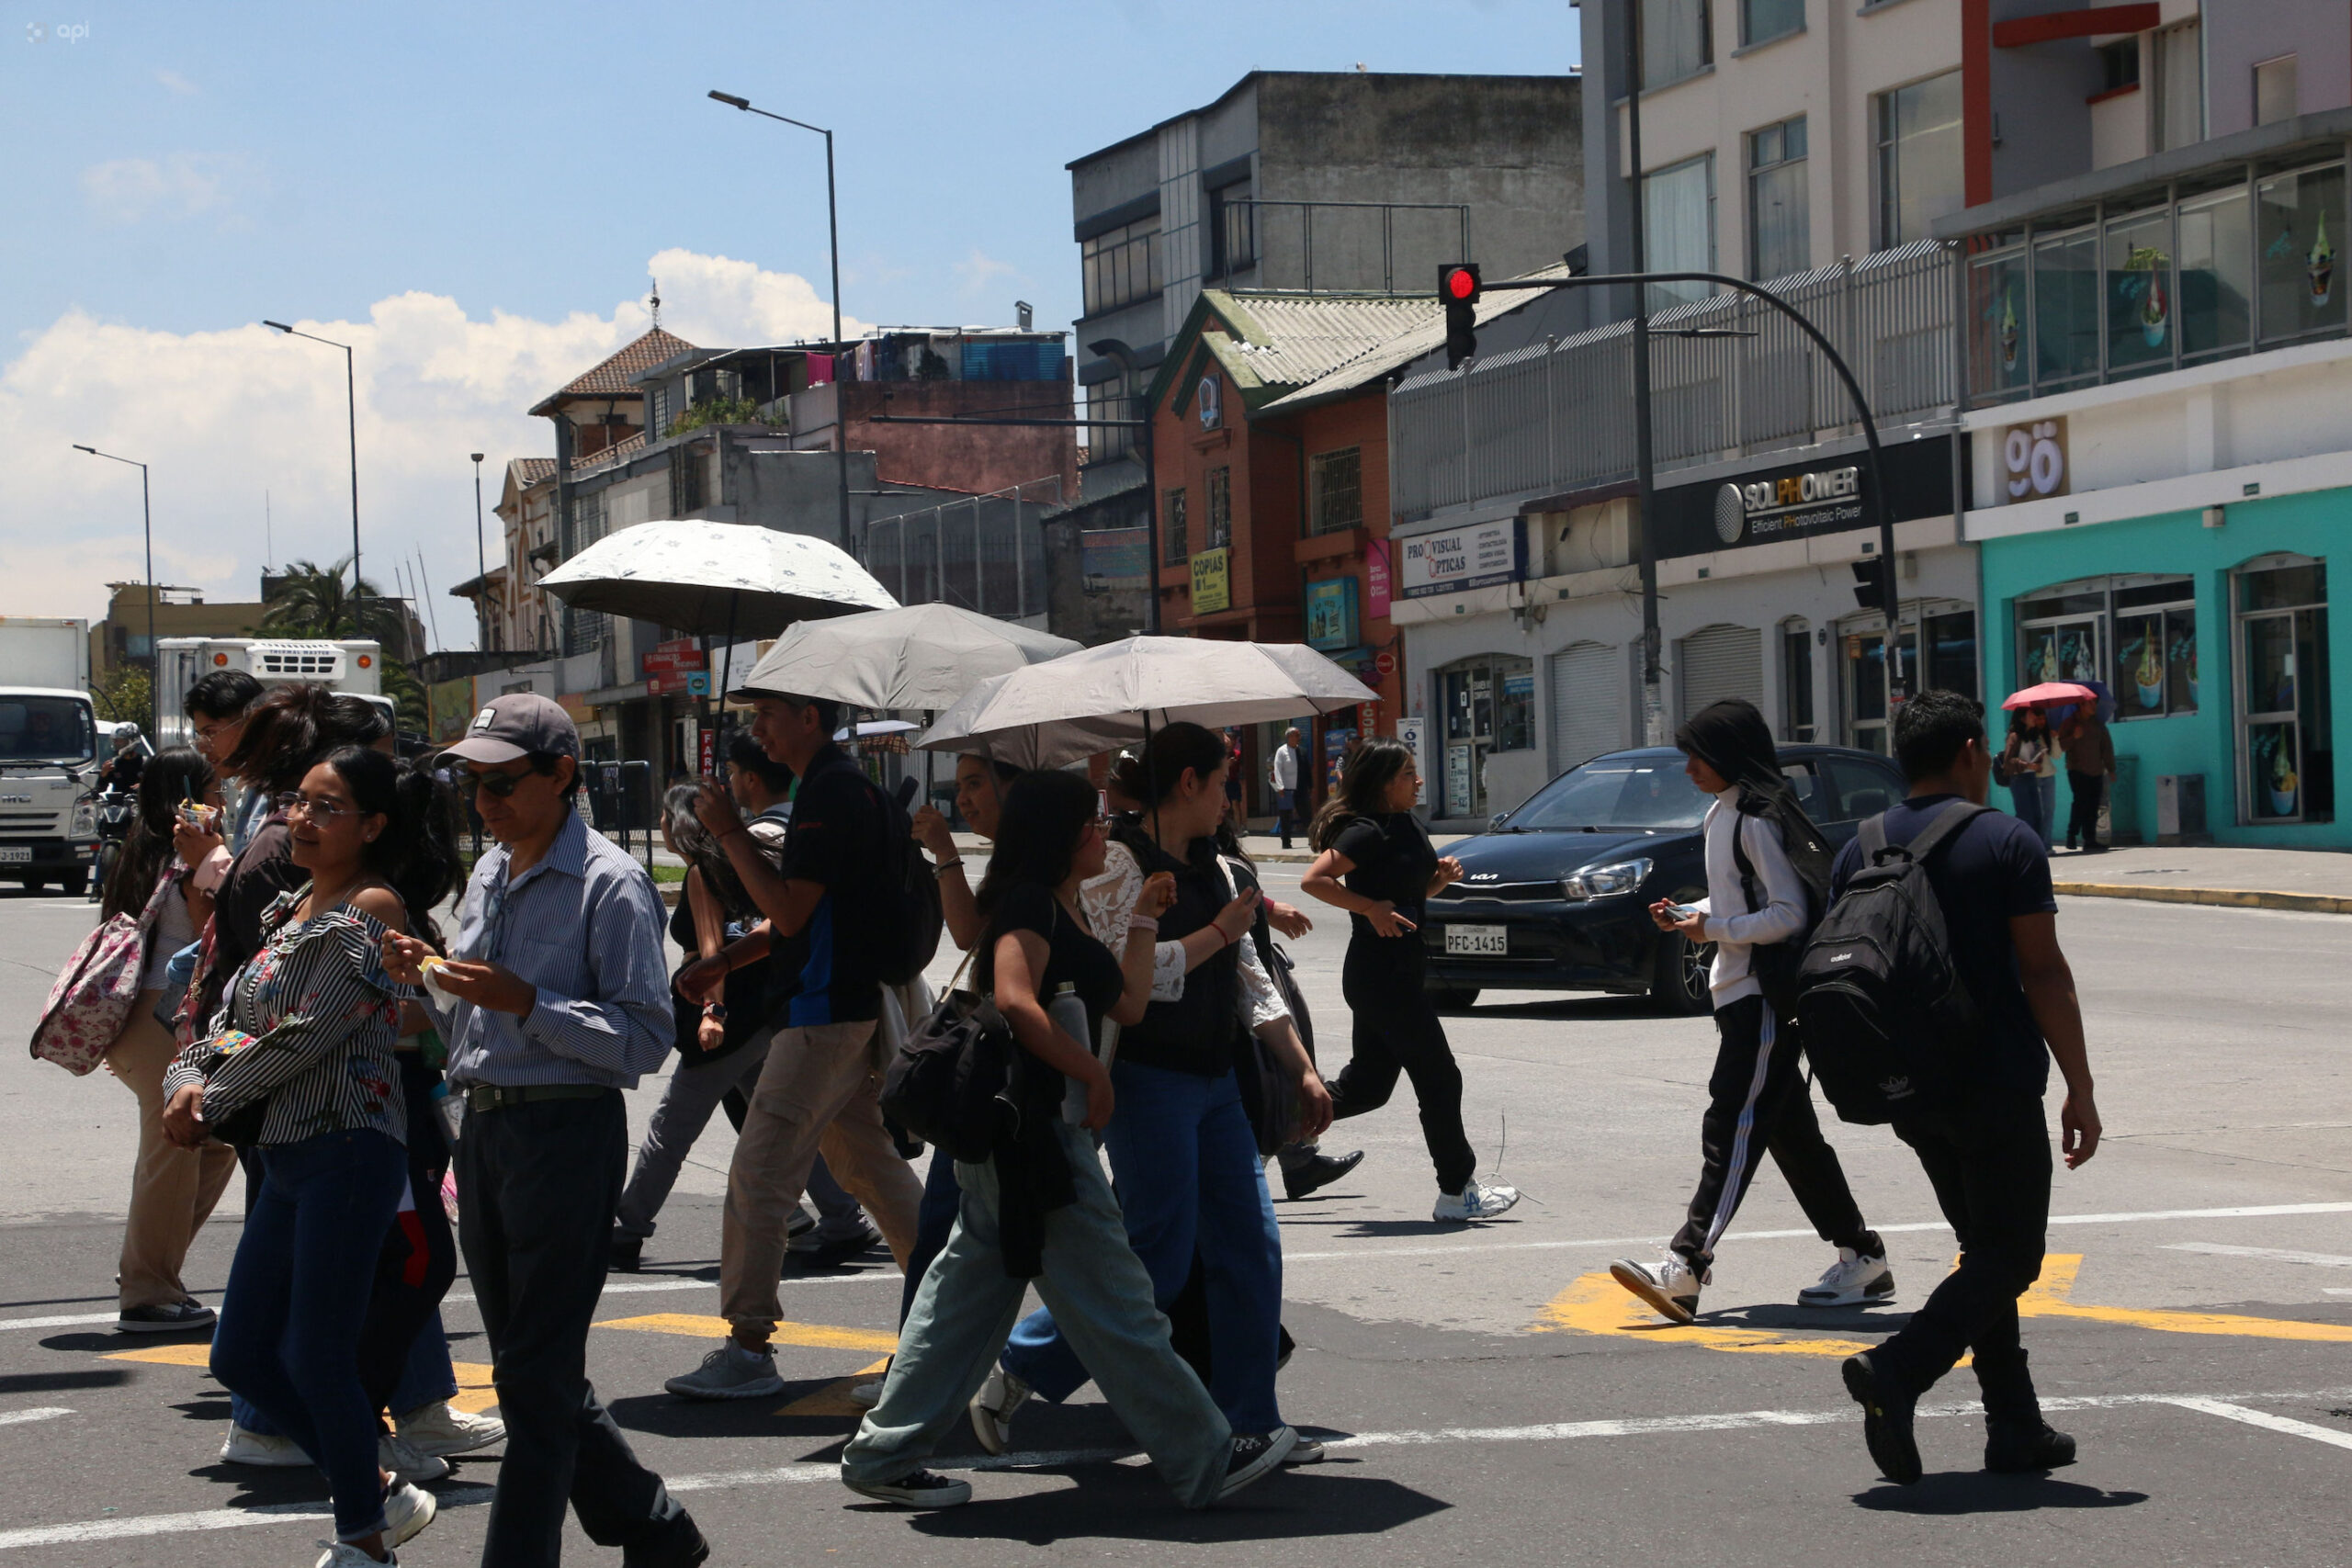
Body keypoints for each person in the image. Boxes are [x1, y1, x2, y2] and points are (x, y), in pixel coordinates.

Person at [842, 770, 1297, 1507]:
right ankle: (1206, 1454)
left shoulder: (1070, 905)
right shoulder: (1028, 906)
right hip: (1037, 1135)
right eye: (1091, 824)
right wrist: (1095, 1073)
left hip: (1022, 1139)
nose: (1104, 831)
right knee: (1121, 1305)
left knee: (960, 1303)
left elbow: (1129, 1000)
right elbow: (1017, 1001)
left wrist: (1148, 918)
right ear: (1059, 836)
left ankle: (882, 1452)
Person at [381, 694, 707, 1568]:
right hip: (484, 1134)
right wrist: (429, 981)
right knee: (536, 1369)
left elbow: (646, 1036)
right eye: (471, 782)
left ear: (562, 776)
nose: (483, 800)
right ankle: (653, 1525)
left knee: (533, 1374)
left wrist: (526, 1000)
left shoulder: (611, 881)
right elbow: (469, 1020)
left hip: (567, 1133)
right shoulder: (488, 872)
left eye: (502, 781)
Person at [972, 723, 1330, 1472]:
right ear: (1189, 782)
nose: (1233, 790)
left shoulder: (1226, 871)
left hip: (1216, 1082)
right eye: (1225, 776)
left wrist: (1299, 1066)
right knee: (1158, 1262)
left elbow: (1250, 982)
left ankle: (1250, 1421)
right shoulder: (1122, 864)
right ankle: (1022, 1364)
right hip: (1147, 1080)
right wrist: (1211, 933)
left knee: (1252, 1247)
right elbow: (1115, 979)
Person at [161, 745, 456, 1566]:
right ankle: (380, 1492)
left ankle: (363, 1535)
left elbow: (308, 1030)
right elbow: (226, 1018)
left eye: (327, 808)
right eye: (299, 801)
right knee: (243, 1352)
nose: (302, 818)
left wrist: (208, 1102)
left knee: (318, 1351)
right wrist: (182, 1081)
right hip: (286, 1155)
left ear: (372, 825)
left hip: (349, 1151)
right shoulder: (291, 906)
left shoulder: (371, 909)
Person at [1834, 690, 2100, 1484]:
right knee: (2011, 1255)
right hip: (1993, 1082)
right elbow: (2043, 970)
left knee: (1982, 1251)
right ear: (1970, 752)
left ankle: (2014, 1425)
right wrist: (2080, 1087)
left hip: (1912, 1091)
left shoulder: (1862, 847)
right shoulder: (2006, 840)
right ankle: (1900, 1367)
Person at [661, 687, 923, 1402]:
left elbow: (788, 908)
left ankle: (748, 1346)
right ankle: (945, 1310)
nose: (758, 730)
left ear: (810, 717)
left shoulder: (828, 795)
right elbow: (800, 919)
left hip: (825, 1011)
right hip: (842, 1006)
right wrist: (726, 961)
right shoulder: (841, 788)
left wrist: (728, 832)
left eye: (768, 714)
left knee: (759, 1171)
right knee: (870, 1165)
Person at [1609, 699, 1892, 1325]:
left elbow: (1790, 913)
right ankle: (1862, 1255)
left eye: (1698, 755)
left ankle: (1688, 1261)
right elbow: (1748, 898)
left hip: (1763, 996)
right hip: (1738, 991)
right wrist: (1697, 916)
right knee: (1793, 1138)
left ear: (1731, 755)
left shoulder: (1758, 818)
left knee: (1731, 1124)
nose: (1688, 767)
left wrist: (1717, 927)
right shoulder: (1724, 813)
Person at [611, 775, 877, 1271]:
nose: (662, 826)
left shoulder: (701, 872)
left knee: (672, 1126)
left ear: (678, 824)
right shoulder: (733, 861)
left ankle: (626, 1229)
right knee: (779, 1122)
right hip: (761, 1013)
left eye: (665, 818)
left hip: (727, 1017)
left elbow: (712, 951)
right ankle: (842, 1217)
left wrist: (712, 1012)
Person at [1300, 739, 1515, 1222]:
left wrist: (1436, 880)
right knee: (1440, 1077)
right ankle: (1457, 1191)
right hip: (1380, 976)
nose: (1418, 781)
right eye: (1408, 774)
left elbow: (1404, 892)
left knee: (1367, 1089)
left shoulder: (1404, 824)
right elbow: (1315, 880)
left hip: (1397, 972)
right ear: (1382, 783)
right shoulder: (1365, 830)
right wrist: (1369, 908)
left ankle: (1268, 1132)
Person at [96, 747, 238, 1332]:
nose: (223, 799)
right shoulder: (187, 853)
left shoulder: (137, 847)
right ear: (188, 793)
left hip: (136, 1018)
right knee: (175, 1151)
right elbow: (216, 925)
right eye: (214, 788)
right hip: (164, 1014)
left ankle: (150, 1260)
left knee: (216, 1139)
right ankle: (149, 1292)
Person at [185, 669, 266, 852]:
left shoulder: (279, 796)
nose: (202, 748)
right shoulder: (250, 793)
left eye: (210, 733)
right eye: (200, 736)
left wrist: (209, 860)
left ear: (249, 722)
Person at [2057, 703, 2115, 853]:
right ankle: (2072, 834)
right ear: (2081, 705)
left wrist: (2111, 768)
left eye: (2095, 703)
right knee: (2080, 803)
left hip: (2096, 771)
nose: (2094, 706)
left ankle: (2090, 839)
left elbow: (2106, 747)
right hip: (2077, 770)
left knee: (2093, 805)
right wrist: (2073, 737)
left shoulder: (2098, 725)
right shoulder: (2071, 722)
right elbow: (2061, 746)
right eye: (2090, 704)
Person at [1999, 706, 2055, 852]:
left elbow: (2034, 757)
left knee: (2037, 816)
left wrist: (2038, 761)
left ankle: (2035, 849)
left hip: (2031, 777)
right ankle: (2022, 849)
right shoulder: (2014, 736)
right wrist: (2027, 765)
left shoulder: (2033, 734)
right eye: (2030, 715)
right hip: (2019, 779)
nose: (2034, 717)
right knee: (2026, 815)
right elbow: (2008, 762)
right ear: (2022, 718)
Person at [1271, 728, 1302, 850]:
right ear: (1289, 737)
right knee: (1286, 816)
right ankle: (1286, 841)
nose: (1298, 737)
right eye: (1296, 735)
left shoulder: (1299, 750)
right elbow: (1277, 769)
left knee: (1304, 812)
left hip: (1298, 787)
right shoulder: (1282, 751)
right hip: (1285, 789)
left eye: (1298, 735)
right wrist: (1280, 786)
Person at [99, 722, 146, 795]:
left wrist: (144, 786)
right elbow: (100, 789)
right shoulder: (114, 763)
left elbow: (157, 786)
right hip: (118, 805)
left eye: (120, 741)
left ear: (131, 741)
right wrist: (103, 775)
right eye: (115, 741)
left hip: (139, 804)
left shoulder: (145, 763)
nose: (116, 744)